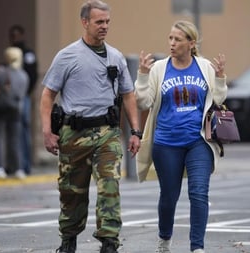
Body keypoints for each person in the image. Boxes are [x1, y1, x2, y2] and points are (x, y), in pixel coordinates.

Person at [39, 1, 141, 252]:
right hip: (73, 134)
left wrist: (136, 131)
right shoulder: (67, 56)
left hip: (107, 133)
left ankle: (109, 241)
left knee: (109, 184)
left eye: (107, 22)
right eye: (99, 22)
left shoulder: (116, 56)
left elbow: (128, 95)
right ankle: (68, 239)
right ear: (85, 22)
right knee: (72, 191)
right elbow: (47, 95)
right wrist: (47, 131)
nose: (105, 26)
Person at [134, 20, 227, 253]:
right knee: (169, 196)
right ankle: (164, 239)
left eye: (177, 39)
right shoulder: (159, 69)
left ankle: (197, 247)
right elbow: (143, 102)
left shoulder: (204, 66)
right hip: (166, 143)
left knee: (198, 192)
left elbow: (218, 99)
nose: (172, 43)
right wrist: (143, 76)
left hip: (198, 141)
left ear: (191, 43)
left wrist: (220, 78)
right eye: (170, 38)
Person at [0, 47, 29, 179]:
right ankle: (18, 168)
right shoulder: (24, 75)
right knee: (15, 140)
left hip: (1, 108)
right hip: (16, 109)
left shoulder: (2, 72)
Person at [9, 24, 38, 175]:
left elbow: (32, 75)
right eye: (12, 36)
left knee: (23, 129)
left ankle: (25, 165)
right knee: (13, 131)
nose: (15, 39)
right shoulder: (10, 53)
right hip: (11, 97)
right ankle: (14, 164)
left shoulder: (28, 54)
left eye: (17, 35)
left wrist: (25, 93)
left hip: (24, 96)